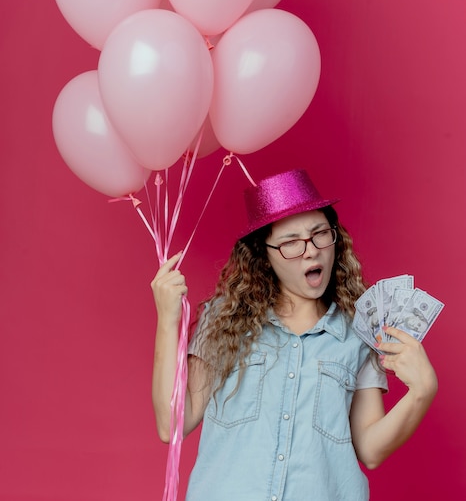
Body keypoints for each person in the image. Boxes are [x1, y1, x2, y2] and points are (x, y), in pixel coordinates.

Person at [151, 168, 438, 500]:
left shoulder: (360, 333)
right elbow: (171, 424)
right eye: (290, 243)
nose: (311, 250)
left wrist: (422, 391)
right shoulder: (223, 319)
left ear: (336, 239)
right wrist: (167, 321)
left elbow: (371, 449)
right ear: (265, 257)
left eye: (320, 234)